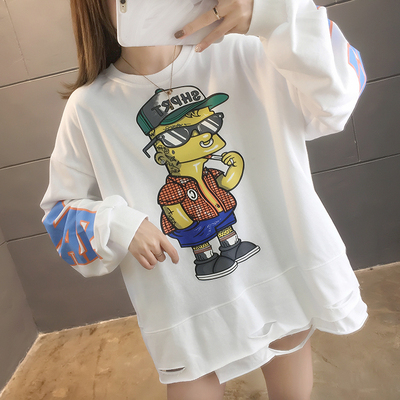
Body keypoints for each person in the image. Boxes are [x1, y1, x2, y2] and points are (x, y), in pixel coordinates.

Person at [40, 0, 368, 399]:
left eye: (208, 124)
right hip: (186, 306)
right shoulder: (90, 108)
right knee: (194, 377)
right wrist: (120, 225)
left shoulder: (248, 51)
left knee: (289, 361)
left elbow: (339, 95)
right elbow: (60, 216)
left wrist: (274, 16)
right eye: (182, 134)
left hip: (281, 275)